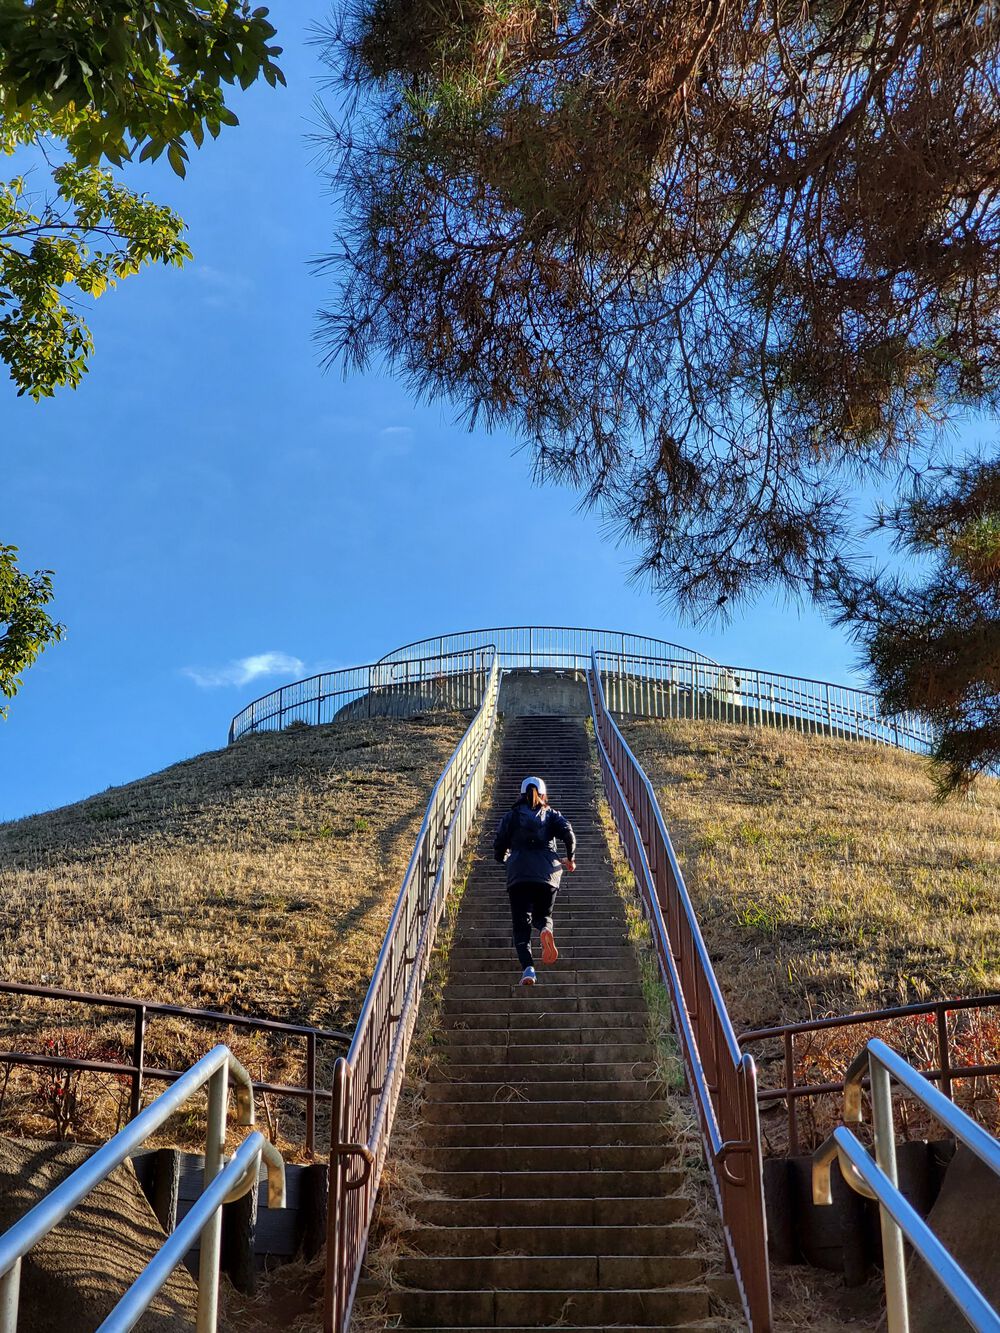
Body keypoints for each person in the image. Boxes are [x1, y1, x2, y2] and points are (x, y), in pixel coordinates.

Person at [493, 776, 576, 986]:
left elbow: (498, 848)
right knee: (543, 915)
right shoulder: (551, 815)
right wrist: (570, 858)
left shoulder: (511, 816)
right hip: (548, 873)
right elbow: (569, 835)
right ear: (544, 794)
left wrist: (507, 860)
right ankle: (546, 929)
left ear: (520, 795)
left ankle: (528, 970)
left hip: (519, 875)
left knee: (521, 927)